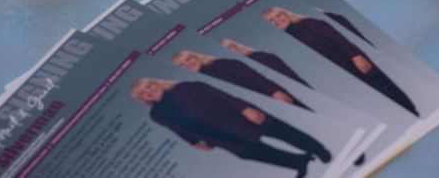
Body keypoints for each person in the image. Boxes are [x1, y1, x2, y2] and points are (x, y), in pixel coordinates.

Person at [129, 76, 329, 175]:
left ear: (157, 83)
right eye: (143, 93)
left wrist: (245, 109)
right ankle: (299, 162)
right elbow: (176, 128)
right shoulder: (155, 114)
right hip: (218, 136)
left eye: (149, 86)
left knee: (283, 133)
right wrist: (192, 143)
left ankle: (318, 149)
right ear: (141, 99)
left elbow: (222, 97)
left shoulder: (187, 86)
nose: (149, 92)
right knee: (251, 153)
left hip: (238, 117)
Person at [263, 5, 417, 116]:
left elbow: (337, 38)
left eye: (278, 15)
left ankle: (414, 113)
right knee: (371, 104)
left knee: (385, 88)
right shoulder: (283, 44)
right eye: (271, 21)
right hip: (334, 79)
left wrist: (355, 56)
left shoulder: (308, 24)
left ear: (287, 13)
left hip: (350, 64)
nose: (276, 21)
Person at [171, 49, 308, 109]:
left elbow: (253, 76)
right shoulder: (192, 88)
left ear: (197, 56)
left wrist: (274, 92)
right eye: (182, 65)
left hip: (268, 97)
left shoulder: (221, 64)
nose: (188, 64)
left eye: (189, 59)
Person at [219, 37, 308, 88]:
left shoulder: (260, 57)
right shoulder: (233, 72)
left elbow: (288, 76)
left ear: (235, 46)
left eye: (230, 48)